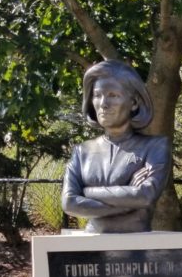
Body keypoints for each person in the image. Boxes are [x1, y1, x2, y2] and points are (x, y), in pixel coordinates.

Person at [61, 60, 172, 233]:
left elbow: (145, 196)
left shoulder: (155, 147)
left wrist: (88, 192)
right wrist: (128, 202)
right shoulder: (82, 151)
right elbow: (69, 203)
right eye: (97, 95)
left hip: (138, 240)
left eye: (113, 95)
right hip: (93, 242)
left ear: (133, 102)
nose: (103, 104)